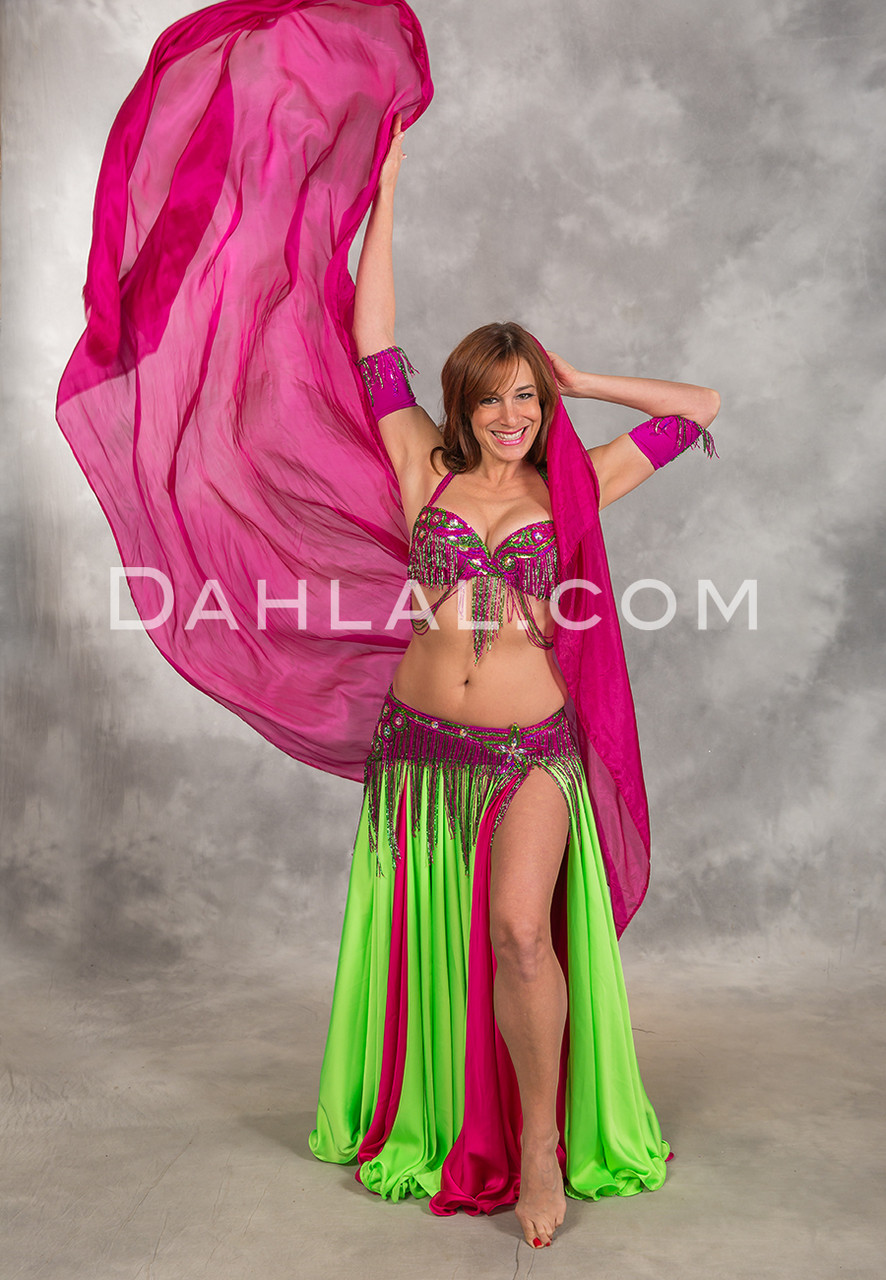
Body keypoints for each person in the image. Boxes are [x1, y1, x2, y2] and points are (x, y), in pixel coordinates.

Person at [307, 117, 720, 1248]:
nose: (509, 416)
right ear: (463, 404)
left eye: (528, 397)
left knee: (519, 933)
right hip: (417, 751)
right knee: (439, 946)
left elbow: (699, 407)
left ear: (544, 404)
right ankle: (444, 1114)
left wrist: (580, 374)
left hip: (529, 749)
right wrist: (386, 185)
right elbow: (372, 337)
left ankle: (538, 1144)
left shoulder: (576, 482)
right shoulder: (420, 466)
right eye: (491, 398)